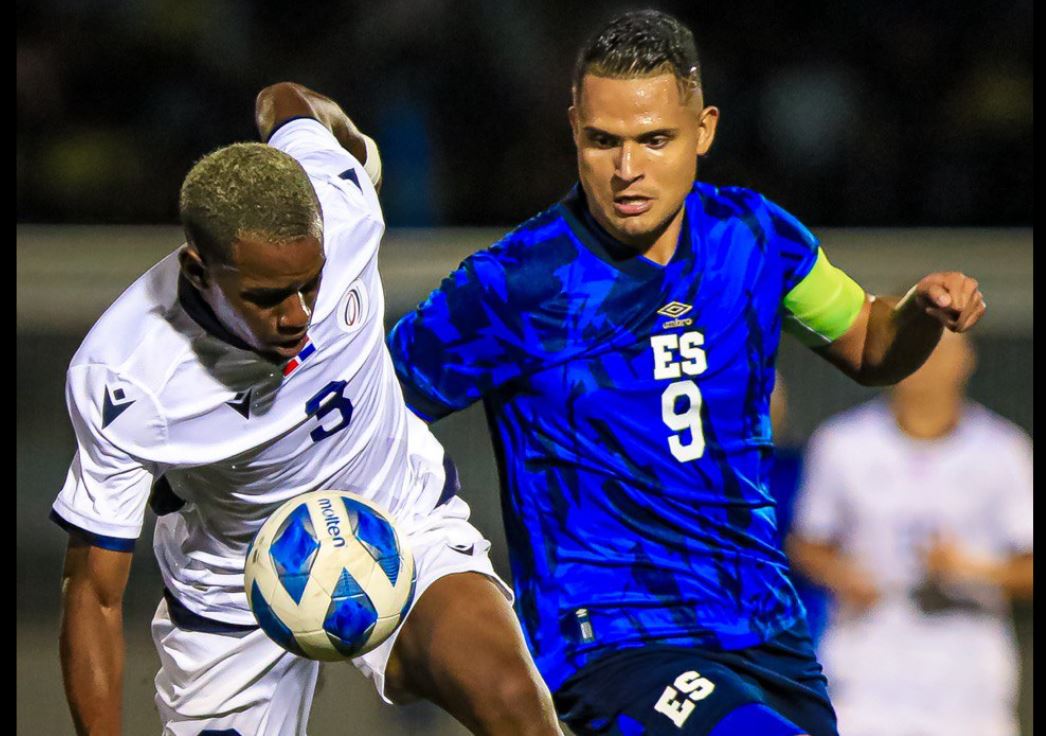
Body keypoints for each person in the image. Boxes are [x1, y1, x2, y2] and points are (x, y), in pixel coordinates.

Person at [386, 10, 986, 736]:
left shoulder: (755, 237)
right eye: (603, 141)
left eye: (654, 140)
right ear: (574, 126)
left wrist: (919, 312)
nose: (627, 169)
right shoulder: (515, 284)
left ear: (703, 130)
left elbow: (868, 345)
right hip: (614, 640)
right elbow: (375, 411)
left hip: (764, 629)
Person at [53, 81, 562, 736]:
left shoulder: (341, 201)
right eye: (268, 297)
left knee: (516, 704)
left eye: (311, 283)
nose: (299, 315)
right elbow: (94, 595)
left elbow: (283, 99)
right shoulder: (126, 375)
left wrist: (352, 142)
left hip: (396, 517)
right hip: (233, 587)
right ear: (200, 268)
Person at [786, 330, 1033, 736]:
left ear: (965, 359)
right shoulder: (842, 443)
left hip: (970, 687)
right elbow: (807, 544)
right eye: (915, 351)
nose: (926, 368)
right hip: (864, 681)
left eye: (939, 354)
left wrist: (973, 571)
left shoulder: (1004, 450)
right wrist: (843, 575)